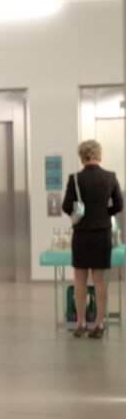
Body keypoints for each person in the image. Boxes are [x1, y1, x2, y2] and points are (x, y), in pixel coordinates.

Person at [62, 139, 123, 338]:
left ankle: (80, 323)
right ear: (99, 155)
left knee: (80, 280)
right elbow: (119, 205)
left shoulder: (75, 179)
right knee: (99, 281)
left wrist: (80, 213)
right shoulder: (110, 177)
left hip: (81, 234)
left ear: (82, 157)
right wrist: (105, 213)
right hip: (102, 234)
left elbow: (66, 206)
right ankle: (99, 323)